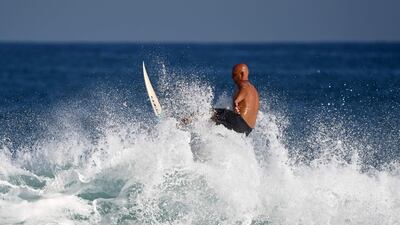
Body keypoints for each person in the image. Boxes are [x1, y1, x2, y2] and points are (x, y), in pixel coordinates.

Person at [211, 63, 259, 136]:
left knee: (209, 113)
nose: (232, 77)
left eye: (234, 75)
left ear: (242, 74)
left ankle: (188, 121)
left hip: (239, 122)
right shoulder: (253, 89)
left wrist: (236, 101)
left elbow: (244, 90)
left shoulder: (244, 84)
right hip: (247, 129)